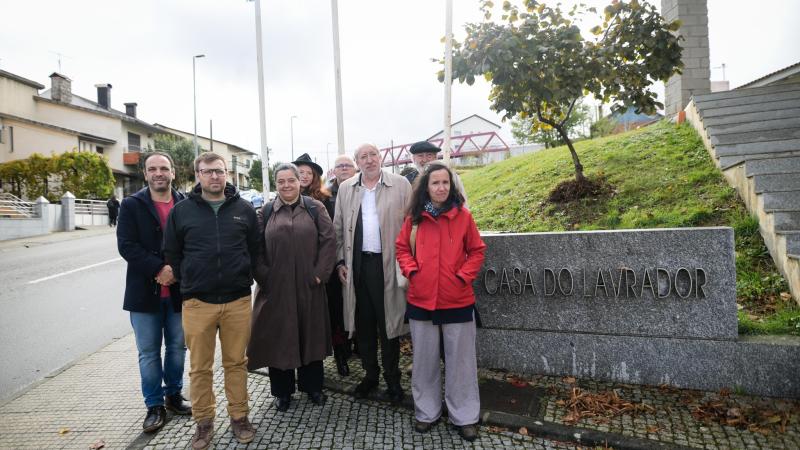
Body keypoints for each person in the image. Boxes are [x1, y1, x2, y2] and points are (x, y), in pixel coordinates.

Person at [164, 152, 259, 449]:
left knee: (236, 363)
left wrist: (244, 276)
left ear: (226, 173)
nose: (214, 176)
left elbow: (255, 249)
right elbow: (172, 252)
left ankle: (239, 417)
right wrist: (190, 282)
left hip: (237, 300)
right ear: (198, 175)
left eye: (219, 171)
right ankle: (203, 423)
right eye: (208, 171)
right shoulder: (182, 211)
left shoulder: (244, 210)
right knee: (200, 367)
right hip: (197, 303)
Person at [395, 162, 486, 441]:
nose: (441, 187)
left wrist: (462, 277)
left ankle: (465, 416)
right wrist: (413, 272)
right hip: (422, 299)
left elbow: (477, 251)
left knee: (461, 363)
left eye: (445, 182)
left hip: (457, 299)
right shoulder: (414, 218)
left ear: (452, 185)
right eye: (435, 183)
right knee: (424, 361)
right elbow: (401, 248)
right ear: (426, 187)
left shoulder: (463, 216)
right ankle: (426, 412)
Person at [247, 163, 337, 412]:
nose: (286, 185)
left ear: (299, 181)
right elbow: (255, 248)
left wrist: (319, 275)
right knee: (279, 338)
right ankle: (282, 392)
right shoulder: (266, 211)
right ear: (276, 184)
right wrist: (265, 277)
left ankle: (313, 387)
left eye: (291, 180)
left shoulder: (315, 207)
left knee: (311, 335)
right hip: (275, 288)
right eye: (281, 181)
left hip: (309, 286)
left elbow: (329, 240)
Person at [117, 152, 190, 433]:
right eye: (153, 169)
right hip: (144, 293)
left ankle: (174, 395)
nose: (159, 173)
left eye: (164, 168)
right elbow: (126, 245)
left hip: (179, 293)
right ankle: (154, 406)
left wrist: (175, 271)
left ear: (173, 172)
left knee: (177, 348)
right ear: (145, 174)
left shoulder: (185, 203)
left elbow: (195, 244)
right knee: (148, 353)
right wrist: (159, 269)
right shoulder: (131, 204)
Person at [333, 143, 412, 403]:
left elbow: (412, 225)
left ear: (380, 158)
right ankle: (370, 375)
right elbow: (338, 229)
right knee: (363, 324)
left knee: (389, 323)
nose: (369, 160)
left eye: (373, 155)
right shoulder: (346, 188)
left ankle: (393, 379)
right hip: (357, 265)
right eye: (363, 157)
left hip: (388, 264)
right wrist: (340, 262)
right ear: (357, 162)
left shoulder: (400, 184)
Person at [325, 154, 358, 375]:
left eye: (348, 165)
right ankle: (341, 352)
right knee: (338, 309)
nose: (344, 168)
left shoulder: (362, 189)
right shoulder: (325, 195)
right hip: (336, 258)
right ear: (334, 171)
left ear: (354, 169)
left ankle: (359, 345)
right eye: (340, 166)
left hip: (359, 256)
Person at [404, 141, 468, 206]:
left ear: (435, 157)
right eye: (420, 156)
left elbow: (462, 201)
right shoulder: (407, 180)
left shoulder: (451, 176)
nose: (425, 160)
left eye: (429, 155)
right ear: (413, 159)